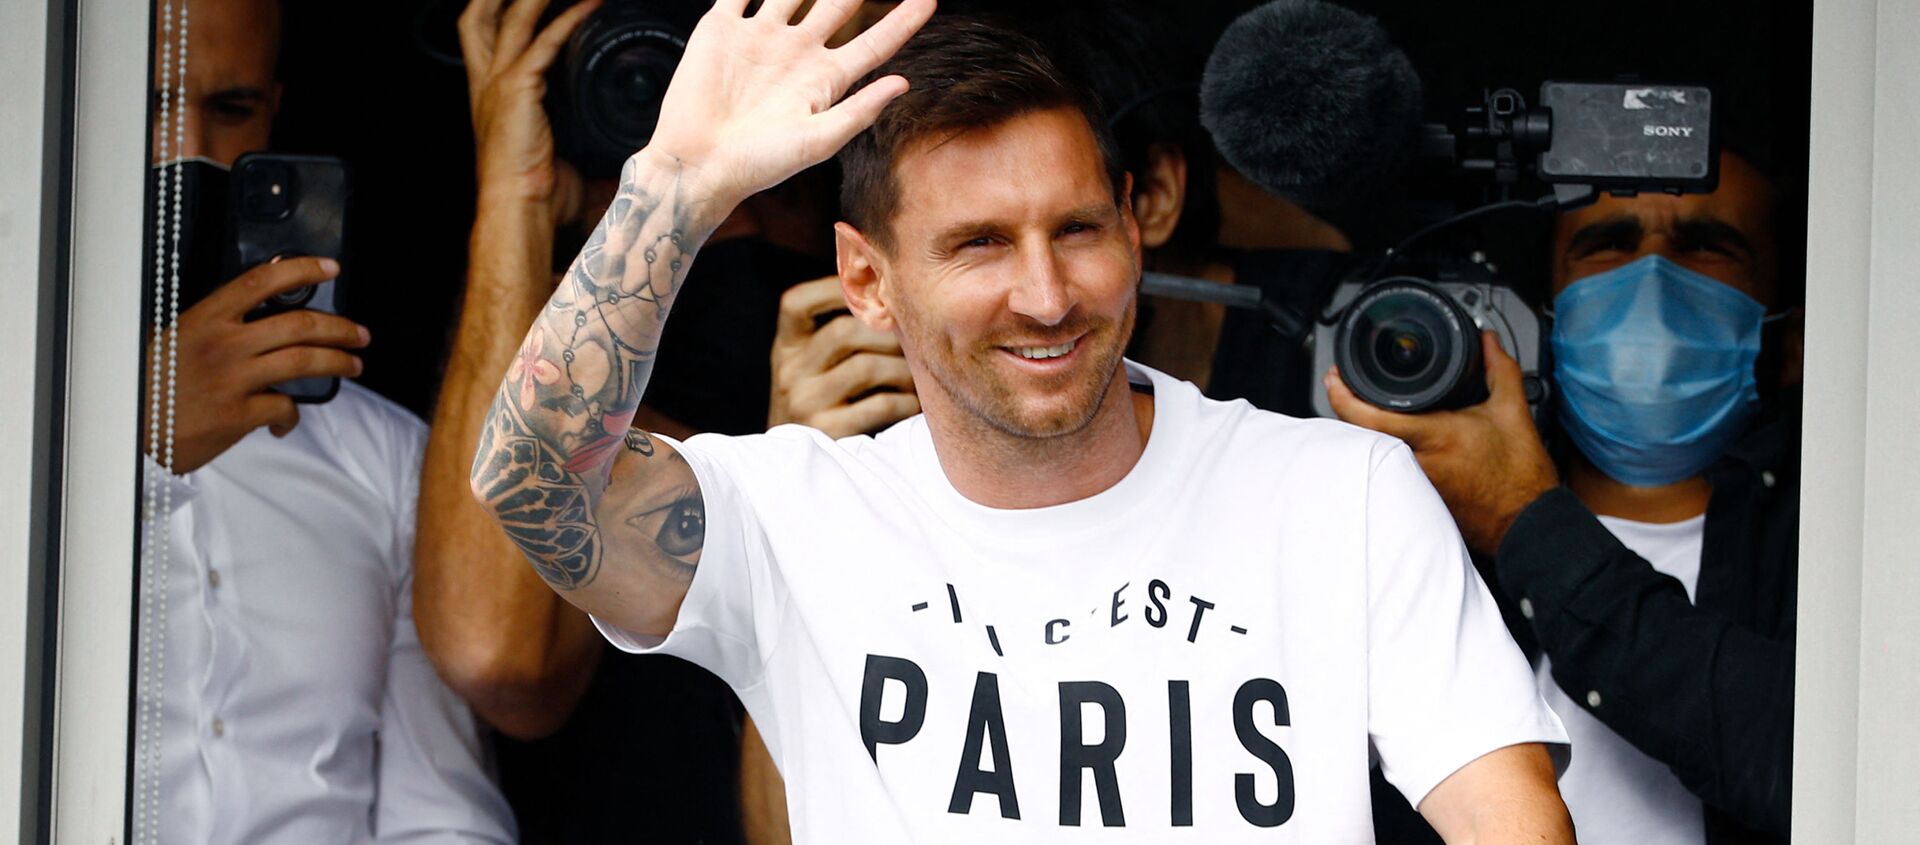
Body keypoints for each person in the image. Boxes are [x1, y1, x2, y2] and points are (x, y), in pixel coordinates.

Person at [469, 3, 1574, 841]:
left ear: (1139, 227)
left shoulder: (1343, 494)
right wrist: (675, 184)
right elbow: (527, 478)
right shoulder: (794, 513)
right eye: (980, 243)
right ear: (866, 278)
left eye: (1079, 229)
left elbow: (1508, 814)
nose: (1048, 295)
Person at [414, 0, 844, 840]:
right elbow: (495, 652)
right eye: (634, 89)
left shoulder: (881, 296)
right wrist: (519, 200)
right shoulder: (529, 301)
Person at [1328, 148, 1800, 844]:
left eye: (1706, 246)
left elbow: (1811, 759)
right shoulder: (1417, 529)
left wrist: (1527, 520)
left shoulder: (1841, 544)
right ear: (1546, 317)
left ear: (1787, 335)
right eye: (1608, 244)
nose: (1652, 278)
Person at [141, 0, 514, 840]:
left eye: (229, 108)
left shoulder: (381, 457)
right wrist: (138, 446)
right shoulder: (29, 434)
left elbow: (439, 809)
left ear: (272, 112)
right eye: (148, 104)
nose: (186, 149)